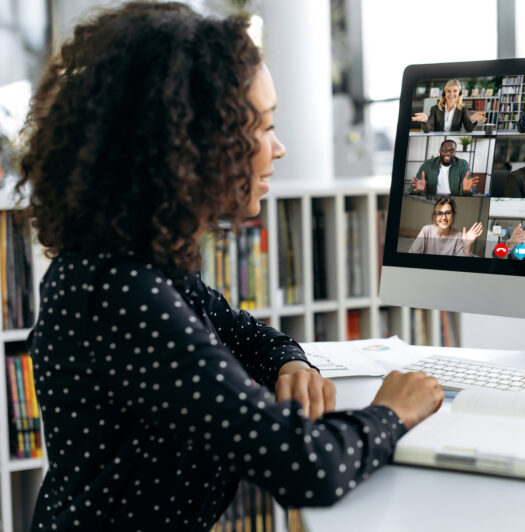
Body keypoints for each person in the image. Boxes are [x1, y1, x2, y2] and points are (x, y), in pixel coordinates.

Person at [17, 3, 444, 529]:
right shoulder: (121, 292)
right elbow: (305, 466)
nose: (279, 148)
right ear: (188, 144)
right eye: (260, 127)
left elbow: (245, 336)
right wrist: (394, 411)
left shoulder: (141, 263)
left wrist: (292, 364)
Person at [407, 197, 483, 256]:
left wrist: (467, 246)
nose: (444, 217)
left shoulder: (458, 236)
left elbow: (464, 264)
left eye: (448, 213)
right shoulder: (426, 230)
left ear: (453, 215)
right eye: (440, 213)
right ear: (435, 216)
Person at [411, 79, 487, 132]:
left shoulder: (463, 109)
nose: (451, 94)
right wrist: (425, 120)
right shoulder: (435, 109)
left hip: (454, 140)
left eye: (455, 91)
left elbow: (468, 129)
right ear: (444, 93)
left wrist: (473, 119)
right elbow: (428, 129)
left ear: (459, 93)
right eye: (448, 91)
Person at [409, 139, 478, 196]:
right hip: (434, 199)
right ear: (440, 151)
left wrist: (466, 190)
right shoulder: (428, 164)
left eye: (451, 150)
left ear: (455, 152)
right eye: (444, 150)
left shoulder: (463, 164)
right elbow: (412, 190)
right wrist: (417, 190)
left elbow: (470, 188)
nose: (448, 153)